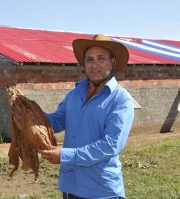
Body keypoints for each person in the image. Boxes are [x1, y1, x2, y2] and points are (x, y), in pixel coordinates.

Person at [38, 34, 134, 199]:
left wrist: (64, 155)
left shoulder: (121, 100)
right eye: (89, 59)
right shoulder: (74, 94)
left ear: (113, 62)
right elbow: (55, 122)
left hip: (100, 190)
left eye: (101, 59)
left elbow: (111, 145)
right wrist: (28, 110)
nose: (94, 65)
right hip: (70, 188)